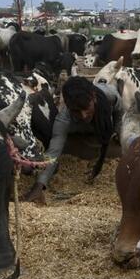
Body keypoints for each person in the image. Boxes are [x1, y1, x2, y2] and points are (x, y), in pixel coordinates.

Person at [23, 76, 124, 204]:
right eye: (76, 111)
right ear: (68, 106)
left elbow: (119, 112)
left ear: (93, 97)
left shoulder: (110, 96)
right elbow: (53, 153)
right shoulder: (63, 119)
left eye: (86, 107)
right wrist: (39, 185)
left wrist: (117, 130)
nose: (83, 115)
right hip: (78, 130)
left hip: (104, 120)